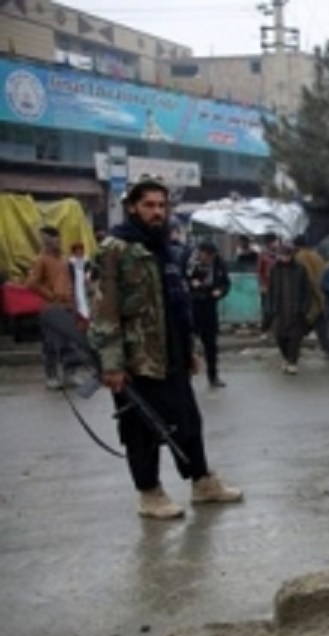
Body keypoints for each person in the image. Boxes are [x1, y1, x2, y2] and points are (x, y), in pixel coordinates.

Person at [88, 174, 242, 519]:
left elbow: (177, 305)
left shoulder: (165, 249)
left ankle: (202, 483)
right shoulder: (114, 250)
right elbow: (103, 310)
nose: (157, 212)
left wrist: (188, 350)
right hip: (135, 358)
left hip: (170, 351)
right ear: (132, 208)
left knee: (187, 420)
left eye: (161, 205)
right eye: (149, 205)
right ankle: (150, 494)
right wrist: (111, 364)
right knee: (140, 429)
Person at [26, 226, 74, 389]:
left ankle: (70, 374)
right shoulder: (41, 260)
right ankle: (51, 376)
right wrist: (50, 295)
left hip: (68, 306)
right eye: (49, 239)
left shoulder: (65, 259)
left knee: (69, 343)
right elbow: (31, 283)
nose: (54, 242)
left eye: (55, 237)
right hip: (51, 307)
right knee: (51, 344)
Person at [186, 241, 231, 388]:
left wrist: (220, 291)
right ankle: (186, 377)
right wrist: (191, 284)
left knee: (211, 345)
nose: (209, 259)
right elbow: (180, 279)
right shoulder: (188, 260)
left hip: (210, 305)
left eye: (211, 257)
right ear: (200, 253)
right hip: (192, 306)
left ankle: (213, 376)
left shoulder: (218, 263)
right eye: (206, 256)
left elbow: (226, 283)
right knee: (188, 343)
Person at [266, 243, 315, 375]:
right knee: (279, 337)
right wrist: (270, 307)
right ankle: (286, 357)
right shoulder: (275, 270)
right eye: (282, 255)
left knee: (295, 338)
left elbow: (307, 290)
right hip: (279, 309)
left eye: (287, 255)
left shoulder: (300, 269)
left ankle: (292, 361)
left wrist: (304, 307)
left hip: (296, 309)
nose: (284, 258)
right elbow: (270, 289)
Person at [294, 236, 329, 361]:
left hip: (309, 297)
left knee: (298, 326)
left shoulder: (300, 257)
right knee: (321, 325)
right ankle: (328, 350)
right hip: (320, 294)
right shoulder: (317, 256)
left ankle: (293, 352)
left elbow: (308, 278)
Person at [256, 233, 279, 333]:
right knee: (267, 309)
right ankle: (264, 329)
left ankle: (275, 329)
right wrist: (262, 285)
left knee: (277, 309)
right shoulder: (263, 255)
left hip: (278, 286)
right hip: (267, 286)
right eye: (275, 241)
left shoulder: (280, 254)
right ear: (270, 243)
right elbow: (259, 271)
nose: (277, 243)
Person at [66, 242, 93, 323]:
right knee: (79, 297)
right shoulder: (71, 261)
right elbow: (70, 273)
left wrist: (87, 276)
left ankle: (88, 314)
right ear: (74, 252)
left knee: (86, 297)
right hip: (76, 281)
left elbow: (89, 270)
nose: (79, 253)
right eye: (77, 251)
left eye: (80, 251)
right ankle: (81, 313)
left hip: (85, 280)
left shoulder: (86, 259)